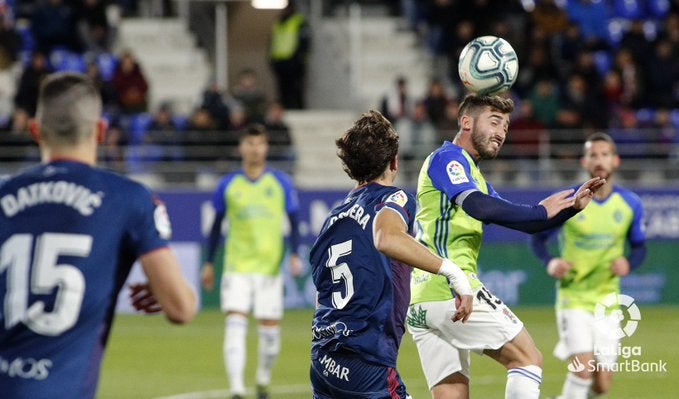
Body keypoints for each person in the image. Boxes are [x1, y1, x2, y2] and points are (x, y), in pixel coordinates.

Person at [0, 72, 197, 398]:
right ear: (102, 131)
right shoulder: (129, 199)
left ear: (35, 130)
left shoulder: (5, 194)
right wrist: (167, 288)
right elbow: (181, 309)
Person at [406, 94, 605, 399]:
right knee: (527, 358)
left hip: (421, 300)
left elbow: (522, 220)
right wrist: (540, 211)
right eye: (494, 121)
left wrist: (569, 209)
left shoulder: (476, 179)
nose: (501, 132)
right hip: (451, 290)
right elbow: (480, 208)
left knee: (452, 394)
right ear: (466, 122)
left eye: (506, 126)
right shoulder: (448, 159)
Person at [309, 110, 473, 399]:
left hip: (323, 358)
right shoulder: (393, 198)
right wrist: (452, 271)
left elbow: (321, 290)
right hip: (366, 363)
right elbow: (386, 237)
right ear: (394, 162)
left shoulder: (332, 218)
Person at [530, 132, 647, 399]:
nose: (599, 160)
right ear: (584, 162)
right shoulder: (572, 201)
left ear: (615, 161)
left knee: (601, 384)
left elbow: (640, 247)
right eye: (593, 154)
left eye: (605, 154)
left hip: (608, 301)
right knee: (583, 370)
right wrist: (551, 263)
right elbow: (538, 239)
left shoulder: (630, 204)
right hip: (574, 298)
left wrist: (628, 263)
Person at [201, 123, 303, 399]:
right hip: (237, 267)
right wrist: (209, 262)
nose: (254, 148)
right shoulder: (228, 184)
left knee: (270, 337)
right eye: (249, 143)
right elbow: (215, 227)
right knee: (235, 324)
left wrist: (295, 254)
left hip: (270, 270)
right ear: (241, 147)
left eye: (259, 143)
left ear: (266, 147)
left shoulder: (280, 183)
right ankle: (236, 389)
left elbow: (294, 222)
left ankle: (262, 378)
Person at [269, 2, 310, 110]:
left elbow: (305, 42)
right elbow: (272, 42)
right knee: (283, 88)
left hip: (294, 61)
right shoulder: (278, 22)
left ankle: (298, 108)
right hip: (280, 61)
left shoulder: (299, 21)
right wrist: (272, 60)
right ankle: (284, 107)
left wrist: (301, 59)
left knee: (296, 87)